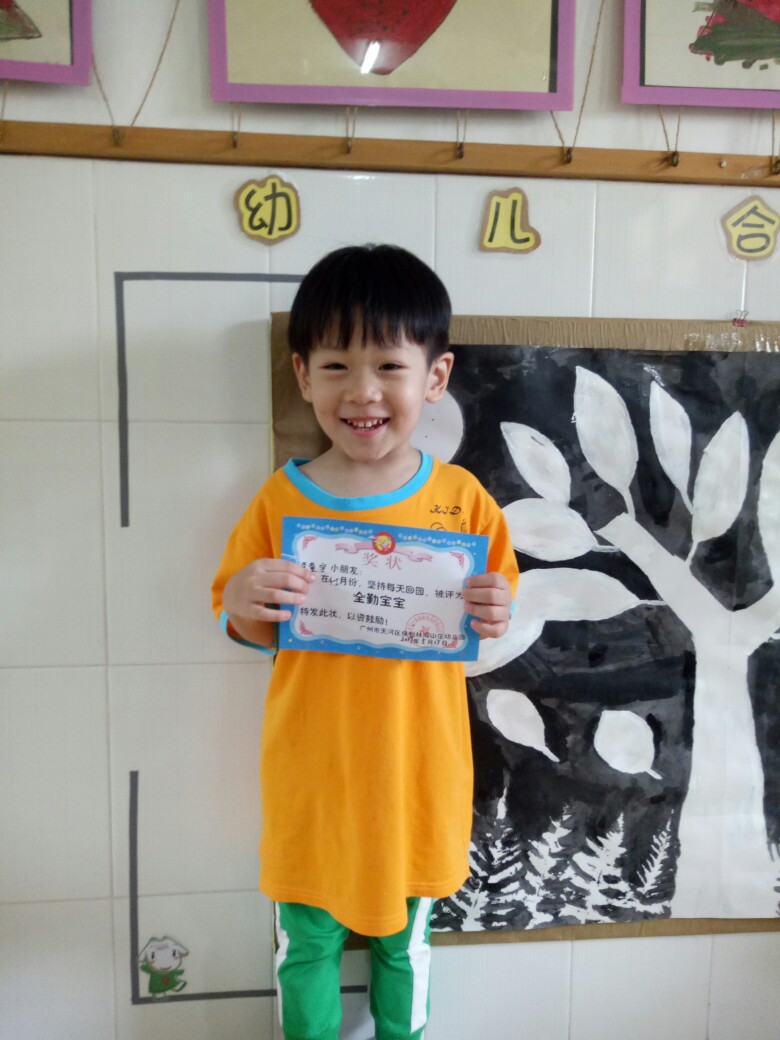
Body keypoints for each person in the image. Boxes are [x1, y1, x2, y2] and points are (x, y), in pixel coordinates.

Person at [212, 244, 519, 1040]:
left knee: (403, 946)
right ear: (303, 375)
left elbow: (495, 615)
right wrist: (243, 598)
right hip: (312, 780)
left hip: (418, 777)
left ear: (435, 377)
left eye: (388, 365)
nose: (362, 391)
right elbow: (243, 620)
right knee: (306, 945)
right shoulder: (280, 500)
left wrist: (496, 606)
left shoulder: (462, 499)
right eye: (337, 366)